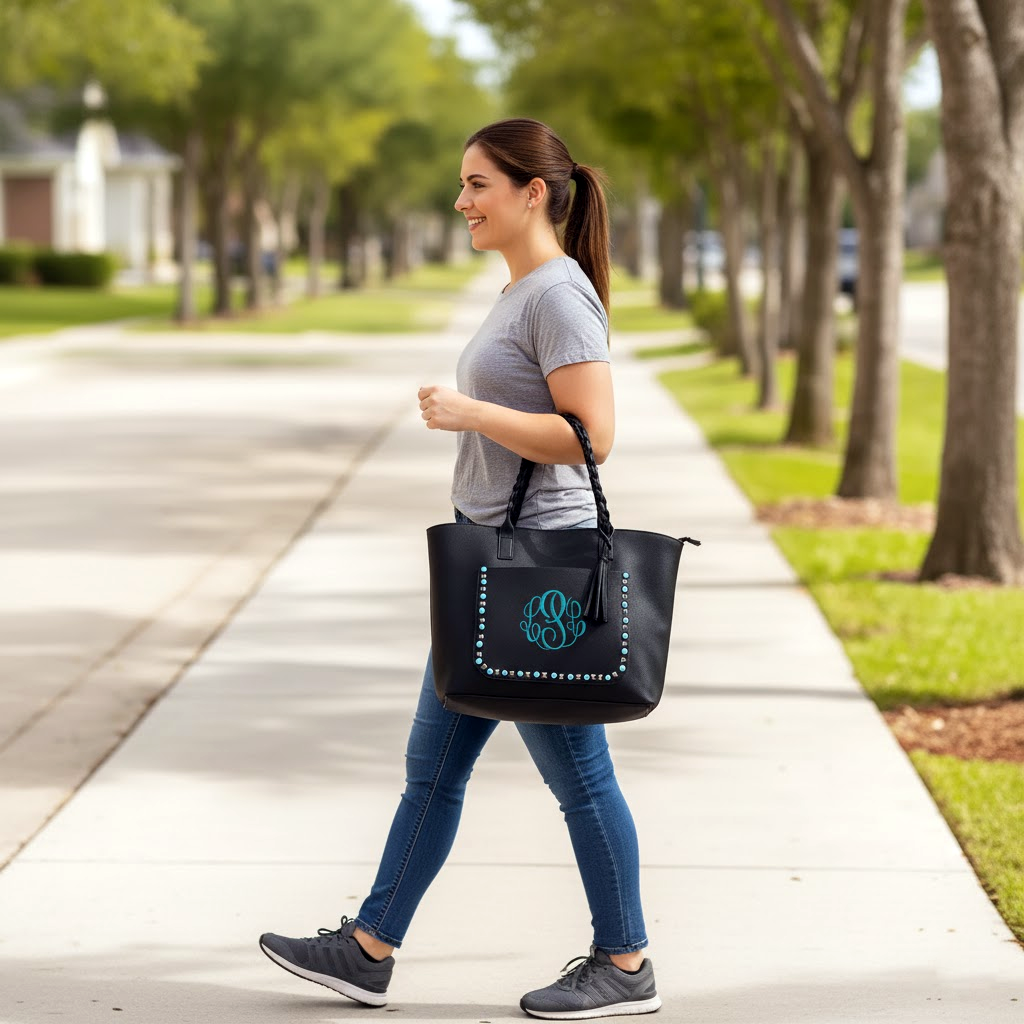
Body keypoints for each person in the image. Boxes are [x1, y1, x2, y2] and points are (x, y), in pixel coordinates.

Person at [258, 117, 660, 1020]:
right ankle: (368, 949)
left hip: (536, 581)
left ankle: (627, 963)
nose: (461, 200)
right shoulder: (523, 289)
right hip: (486, 569)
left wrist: (474, 412)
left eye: (478, 183)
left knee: (579, 777)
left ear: (533, 193)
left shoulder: (557, 295)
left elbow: (592, 436)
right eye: (462, 183)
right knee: (431, 771)